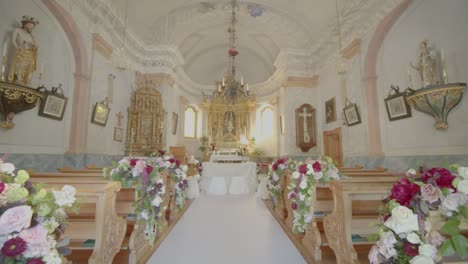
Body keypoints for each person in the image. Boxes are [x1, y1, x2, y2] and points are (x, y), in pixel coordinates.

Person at [8, 16, 39, 85]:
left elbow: (35, 45)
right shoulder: (17, 30)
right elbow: (13, 40)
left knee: (30, 66)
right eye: (30, 26)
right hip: (21, 52)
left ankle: (25, 81)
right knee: (20, 66)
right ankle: (19, 79)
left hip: (29, 53)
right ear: (25, 24)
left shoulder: (31, 35)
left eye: (33, 27)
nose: (32, 28)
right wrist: (17, 47)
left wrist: (34, 45)